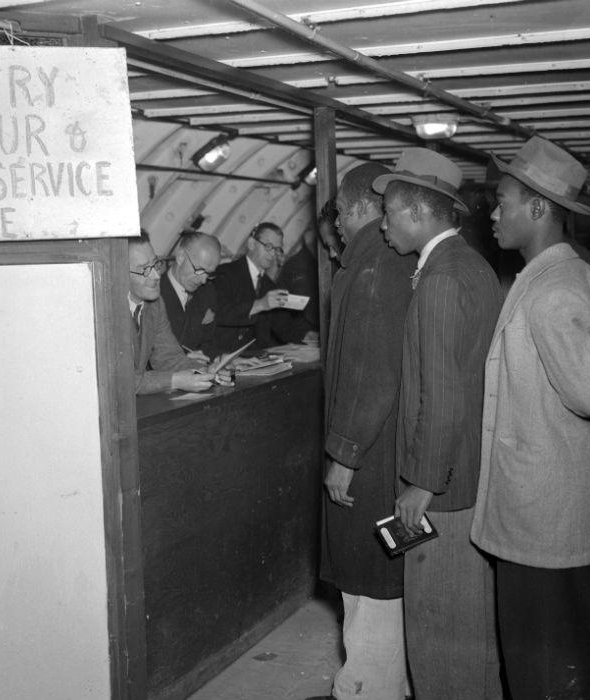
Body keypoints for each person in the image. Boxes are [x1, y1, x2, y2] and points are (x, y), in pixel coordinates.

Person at [471, 136, 590, 700]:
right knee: (572, 651)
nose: (494, 213)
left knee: (543, 665)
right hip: (562, 503)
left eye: (503, 201)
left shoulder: (551, 290)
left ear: (538, 208)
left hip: (545, 511)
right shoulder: (567, 274)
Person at [376, 148, 503, 700]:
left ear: (418, 215)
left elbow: (444, 391)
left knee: (438, 619)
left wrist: (421, 482)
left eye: (388, 213)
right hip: (466, 469)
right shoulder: (470, 264)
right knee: (467, 619)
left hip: (443, 486)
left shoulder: (442, 279)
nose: (382, 224)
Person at [312, 162, 415, 700]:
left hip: (369, 461)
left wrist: (343, 457)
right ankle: (377, 682)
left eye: (338, 213)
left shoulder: (373, 269)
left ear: (354, 210)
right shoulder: (389, 261)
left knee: (369, 582)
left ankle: (367, 689)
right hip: (389, 453)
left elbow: (371, 376)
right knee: (380, 579)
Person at [128, 233, 220, 395]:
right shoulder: (105, 315)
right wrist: (175, 380)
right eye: (144, 270)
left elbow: (169, 358)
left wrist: (209, 371)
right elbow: (122, 381)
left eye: (155, 264)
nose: (156, 275)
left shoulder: (154, 304)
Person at [212, 222, 315, 353]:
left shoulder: (268, 284)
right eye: (268, 246)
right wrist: (259, 305)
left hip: (254, 358)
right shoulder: (225, 274)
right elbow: (220, 313)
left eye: (277, 249)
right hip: (226, 357)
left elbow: (281, 324)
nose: (273, 254)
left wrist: (306, 335)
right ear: (251, 244)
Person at [160, 231, 223, 359]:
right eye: (199, 270)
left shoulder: (208, 292)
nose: (203, 280)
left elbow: (208, 341)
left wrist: (221, 358)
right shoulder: (154, 295)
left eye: (209, 273)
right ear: (181, 257)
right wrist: (184, 361)